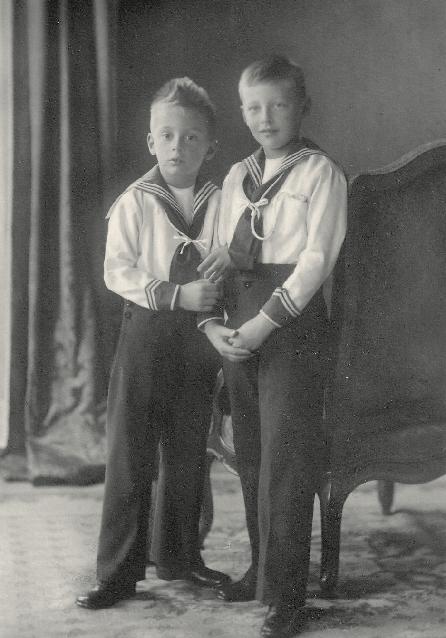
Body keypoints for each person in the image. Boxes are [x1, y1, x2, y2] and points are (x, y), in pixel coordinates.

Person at [199, 56, 347, 637]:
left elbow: (315, 263)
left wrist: (264, 323)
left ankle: (287, 597)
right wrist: (216, 325)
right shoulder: (237, 176)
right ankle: (263, 569)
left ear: (302, 107)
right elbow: (221, 254)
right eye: (254, 107)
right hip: (240, 318)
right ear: (242, 112)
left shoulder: (320, 173)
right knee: (252, 452)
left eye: (279, 105)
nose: (266, 118)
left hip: (291, 323)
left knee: (286, 458)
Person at [76, 77, 234, 610]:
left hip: (197, 341)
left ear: (210, 147)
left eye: (190, 138)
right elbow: (116, 270)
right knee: (132, 457)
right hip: (146, 335)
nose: (177, 147)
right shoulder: (136, 202)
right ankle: (118, 573)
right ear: (150, 141)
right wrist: (174, 294)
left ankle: (180, 557)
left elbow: (226, 262)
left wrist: (214, 287)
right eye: (166, 135)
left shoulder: (221, 202)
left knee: (187, 453)